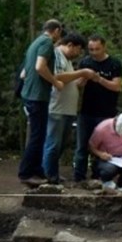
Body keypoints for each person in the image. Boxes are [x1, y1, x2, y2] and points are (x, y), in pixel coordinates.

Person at [42, 33, 97, 183]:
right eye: (78, 50)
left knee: (59, 145)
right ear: (70, 45)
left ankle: (52, 173)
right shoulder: (57, 55)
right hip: (57, 109)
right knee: (53, 144)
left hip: (66, 110)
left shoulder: (66, 60)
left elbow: (68, 80)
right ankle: (48, 176)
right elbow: (58, 77)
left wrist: (78, 82)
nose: (78, 54)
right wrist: (82, 72)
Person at [17, 19, 63, 186]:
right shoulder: (46, 43)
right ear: (56, 31)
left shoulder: (34, 43)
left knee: (40, 135)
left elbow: (24, 73)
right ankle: (26, 173)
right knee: (37, 136)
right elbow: (39, 66)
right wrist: (55, 82)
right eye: (60, 33)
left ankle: (37, 170)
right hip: (37, 97)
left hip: (30, 95)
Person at [73, 34, 122, 182]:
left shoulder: (114, 64)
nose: (94, 52)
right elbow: (78, 84)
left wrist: (99, 79)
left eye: (97, 49)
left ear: (104, 47)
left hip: (107, 113)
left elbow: (117, 86)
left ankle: (99, 176)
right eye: (91, 49)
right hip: (86, 111)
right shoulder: (85, 62)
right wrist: (83, 78)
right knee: (82, 146)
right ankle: (79, 177)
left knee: (103, 147)